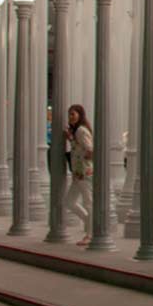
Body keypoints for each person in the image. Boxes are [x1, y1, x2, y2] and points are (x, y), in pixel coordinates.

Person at [65, 104, 94, 245]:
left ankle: (90, 234)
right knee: (69, 202)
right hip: (77, 174)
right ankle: (89, 223)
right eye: (69, 114)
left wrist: (86, 163)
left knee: (88, 202)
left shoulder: (81, 131)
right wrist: (70, 138)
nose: (70, 117)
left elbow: (90, 149)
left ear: (80, 115)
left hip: (84, 173)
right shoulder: (76, 132)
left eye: (73, 114)